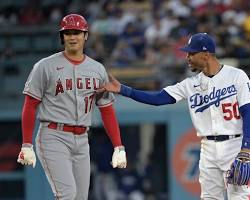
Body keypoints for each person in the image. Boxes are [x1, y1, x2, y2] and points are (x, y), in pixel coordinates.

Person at [98, 33, 250, 200]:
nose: (187, 57)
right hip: (208, 148)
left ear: (206, 55)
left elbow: (248, 112)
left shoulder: (236, 76)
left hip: (234, 145)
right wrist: (124, 90)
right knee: (210, 198)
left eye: (192, 53)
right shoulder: (190, 84)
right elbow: (158, 99)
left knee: (239, 197)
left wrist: (246, 148)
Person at [17, 14, 127, 200]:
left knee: (80, 198)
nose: (72, 37)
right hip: (53, 136)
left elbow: (106, 109)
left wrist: (118, 146)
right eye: (68, 33)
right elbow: (30, 105)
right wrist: (26, 144)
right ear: (62, 37)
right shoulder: (45, 66)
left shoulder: (97, 69)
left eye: (77, 32)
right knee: (67, 195)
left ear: (85, 36)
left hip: (82, 138)